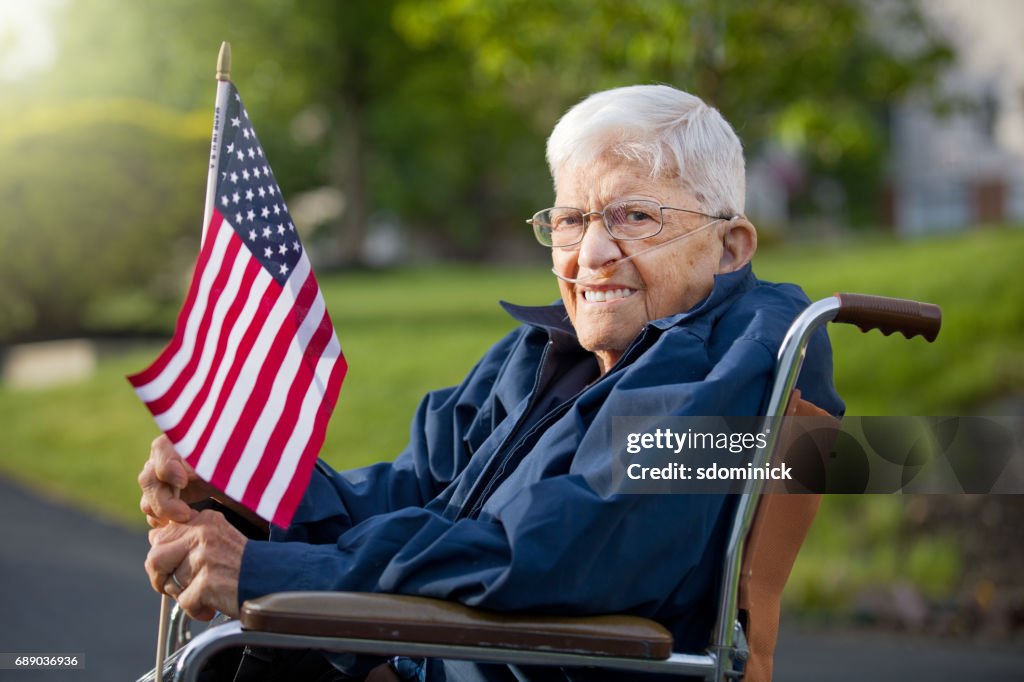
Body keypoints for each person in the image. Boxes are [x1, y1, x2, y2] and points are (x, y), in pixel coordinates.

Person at [140, 84, 843, 680]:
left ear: (731, 245)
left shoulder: (753, 358)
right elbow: (415, 493)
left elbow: (563, 548)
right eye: (570, 220)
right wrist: (249, 488)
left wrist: (274, 575)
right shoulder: (548, 350)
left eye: (635, 217)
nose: (591, 254)